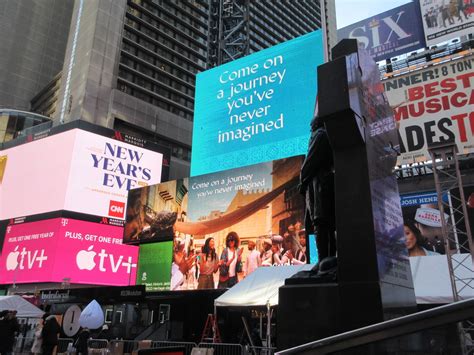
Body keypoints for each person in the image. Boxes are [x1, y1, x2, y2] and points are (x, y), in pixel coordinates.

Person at [299, 115, 336, 262]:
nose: (310, 129)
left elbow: (310, 160)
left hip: (318, 183)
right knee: (324, 223)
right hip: (320, 181)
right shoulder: (324, 134)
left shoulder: (319, 134)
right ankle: (327, 260)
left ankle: (324, 261)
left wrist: (302, 179)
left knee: (320, 221)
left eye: (311, 125)